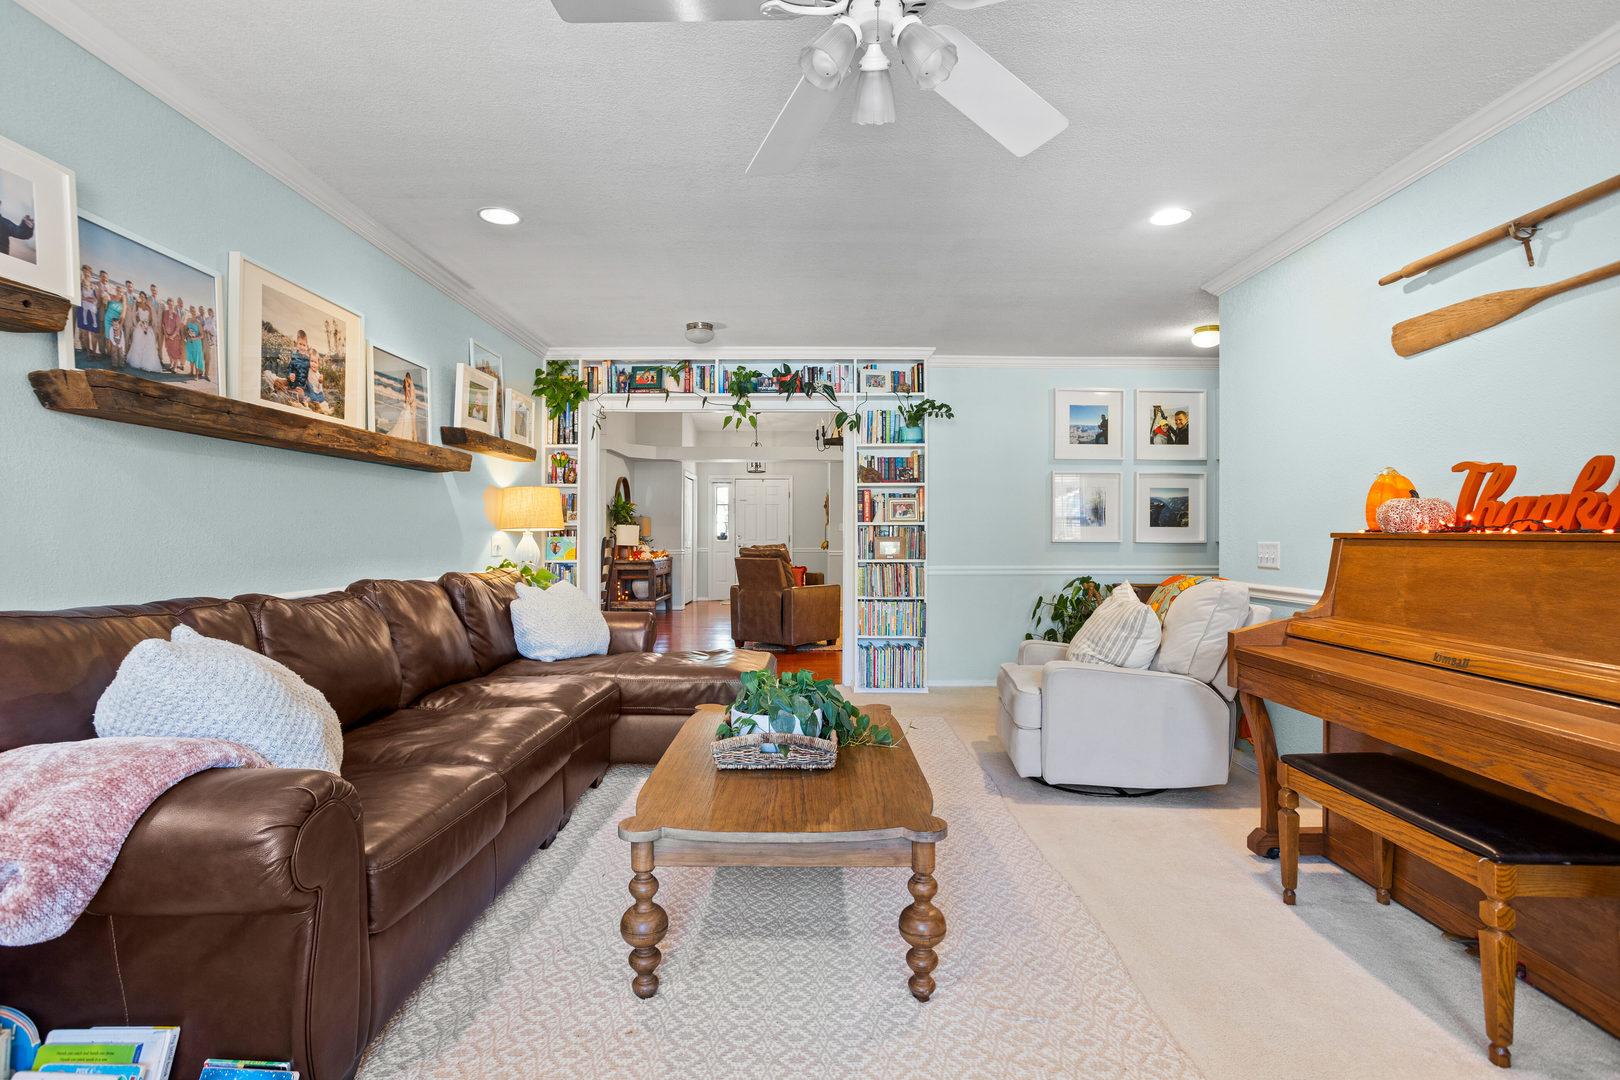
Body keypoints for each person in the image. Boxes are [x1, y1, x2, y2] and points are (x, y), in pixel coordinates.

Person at [125, 294, 164, 373]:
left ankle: (146, 363)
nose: (142, 298)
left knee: (147, 344)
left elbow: (150, 320)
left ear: (146, 299)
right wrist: (136, 323)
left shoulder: (148, 308)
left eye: (143, 297)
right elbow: (133, 313)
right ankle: (137, 362)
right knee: (137, 343)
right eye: (141, 297)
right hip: (139, 326)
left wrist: (145, 326)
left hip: (146, 326)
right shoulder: (138, 304)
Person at [74, 265, 100, 359]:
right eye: (84, 273)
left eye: (88, 274)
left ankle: (94, 352)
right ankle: (89, 353)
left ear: (91, 275)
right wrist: (86, 299)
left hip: (92, 310)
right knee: (84, 333)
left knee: (94, 334)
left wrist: (94, 306)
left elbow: (98, 300)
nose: (86, 275)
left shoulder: (94, 286)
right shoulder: (78, 285)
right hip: (82, 309)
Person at [102, 287, 126, 367]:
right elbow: (105, 308)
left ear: (122, 293)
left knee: (118, 341)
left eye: (121, 291)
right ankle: (112, 358)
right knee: (109, 340)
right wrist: (105, 302)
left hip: (117, 323)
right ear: (116, 291)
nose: (119, 292)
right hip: (108, 320)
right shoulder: (111, 297)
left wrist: (119, 327)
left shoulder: (123, 302)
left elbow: (122, 316)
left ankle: (119, 361)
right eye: (118, 291)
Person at [391, 371, 418, 440]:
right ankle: (414, 440)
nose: (407, 381)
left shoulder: (411, 386)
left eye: (407, 380)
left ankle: (414, 440)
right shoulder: (410, 386)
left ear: (408, 379)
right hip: (411, 408)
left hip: (411, 409)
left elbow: (410, 399)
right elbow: (410, 399)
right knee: (412, 427)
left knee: (412, 427)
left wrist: (409, 402)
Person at [163, 298, 184, 371]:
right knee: (169, 350)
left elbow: (177, 327)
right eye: (169, 304)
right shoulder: (165, 312)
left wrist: (172, 335)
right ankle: (171, 364)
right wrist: (165, 333)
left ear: (173, 305)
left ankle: (175, 367)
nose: (170, 306)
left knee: (175, 351)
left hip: (174, 337)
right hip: (167, 336)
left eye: (171, 304)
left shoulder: (176, 315)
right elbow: (163, 324)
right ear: (167, 305)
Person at [184, 306, 205, 379]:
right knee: (191, 357)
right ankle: (191, 372)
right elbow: (186, 329)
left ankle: (196, 375)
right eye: (192, 311)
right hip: (189, 341)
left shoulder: (198, 323)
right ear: (190, 312)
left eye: (194, 311)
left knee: (197, 358)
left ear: (196, 313)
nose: (193, 313)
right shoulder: (188, 320)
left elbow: (202, 335)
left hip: (196, 343)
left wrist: (194, 338)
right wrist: (189, 332)